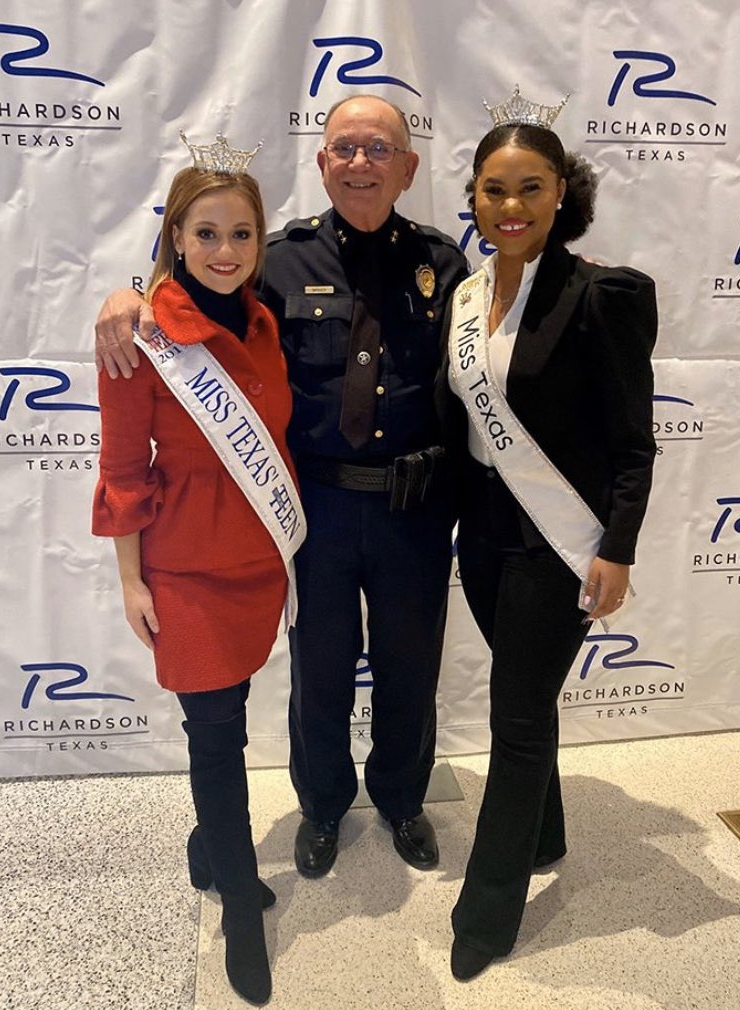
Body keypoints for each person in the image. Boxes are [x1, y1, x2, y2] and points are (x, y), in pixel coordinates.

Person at [95, 95, 469, 879]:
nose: (360, 162)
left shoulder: (447, 261)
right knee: (321, 668)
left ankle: (402, 797)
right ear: (323, 162)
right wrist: (126, 295)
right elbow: (199, 308)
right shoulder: (278, 259)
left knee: (410, 666)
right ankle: (324, 804)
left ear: (409, 166)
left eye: (379, 149)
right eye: (345, 148)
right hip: (314, 509)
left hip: (414, 507)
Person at [439, 89, 657, 979]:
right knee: (525, 694)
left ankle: (487, 913)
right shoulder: (462, 295)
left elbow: (633, 441)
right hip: (483, 536)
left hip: (557, 542)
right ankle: (547, 832)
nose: (513, 207)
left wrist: (618, 547)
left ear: (562, 191)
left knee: (517, 717)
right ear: (475, 198)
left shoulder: (604, 294)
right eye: (495, 189)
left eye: (531, 187)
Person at [92, 136, 304, 1006]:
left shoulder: (263, 321)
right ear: (176, 236)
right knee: (214, 740)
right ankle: (241, 914)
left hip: (259, 565)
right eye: (207, 233)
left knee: (236, 717)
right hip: (183, 574)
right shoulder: (139, 335)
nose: (225, 252)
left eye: (242, 235)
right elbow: (122, 469)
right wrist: (131, 580)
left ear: (261, 242)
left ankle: (207, 849)